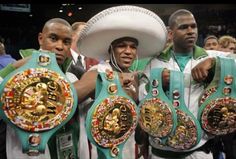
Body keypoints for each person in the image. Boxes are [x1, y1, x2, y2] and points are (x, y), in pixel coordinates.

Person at [72, 5, 167, 159]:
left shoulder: (136, 78)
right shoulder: (98, 72)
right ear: (111, 49)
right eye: (122, 46)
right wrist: (111, 82)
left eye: (133, 47)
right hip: (100, 151)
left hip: (131, 148)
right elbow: (69, 96)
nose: (128, 51)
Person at [138, 9, 233, 159]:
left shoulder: (211, 56)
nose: (190, 31)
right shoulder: (154, 63)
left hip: (199, 151)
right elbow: (142, 99)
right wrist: (156, 85)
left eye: (193, 26)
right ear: (170, 33)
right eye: (183, 27)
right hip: (161, 153)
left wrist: (215, 63)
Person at [0, 18, 77, 159]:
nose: (60, 46)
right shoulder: (18, 73)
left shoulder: (71, 77)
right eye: (53, 38)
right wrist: (13, 68)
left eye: (66, 42)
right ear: (41, 39)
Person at [66, 21, 99, 159]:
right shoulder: (61, 57)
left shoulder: (96, 62)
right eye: (83, 33)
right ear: (72, 36)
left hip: (89, 126)